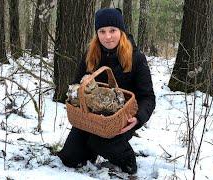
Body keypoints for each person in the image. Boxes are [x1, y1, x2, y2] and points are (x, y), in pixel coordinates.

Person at [58, 8, 156, 174]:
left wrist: (138, 119)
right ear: (97, 33)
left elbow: (148, 97)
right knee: (70, 158)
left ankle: (127, 160)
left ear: (121, 31)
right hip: (90, 118)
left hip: (121, 119)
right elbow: (76, 85)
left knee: (101, 141)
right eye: (102, 31)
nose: (107, 36)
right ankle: (90, 148)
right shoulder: (90, 54)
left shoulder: (136, 58)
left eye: (112, 30)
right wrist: (78, 97)